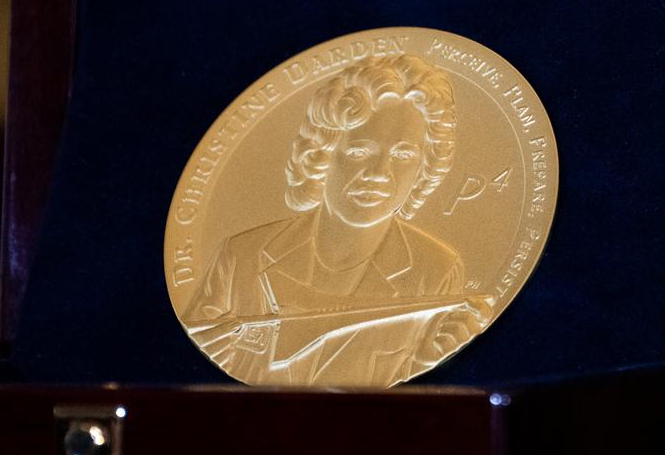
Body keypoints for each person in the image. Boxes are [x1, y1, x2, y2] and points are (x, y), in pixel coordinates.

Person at [184, 54, 493, 386]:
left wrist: (429, 359)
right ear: (322, 155)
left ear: (424, 167)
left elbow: (409, 384)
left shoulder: (436, 269)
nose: (379, 174)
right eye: (359, 152)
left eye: (403, 155)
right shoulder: (240, 255)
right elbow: (202, 363)